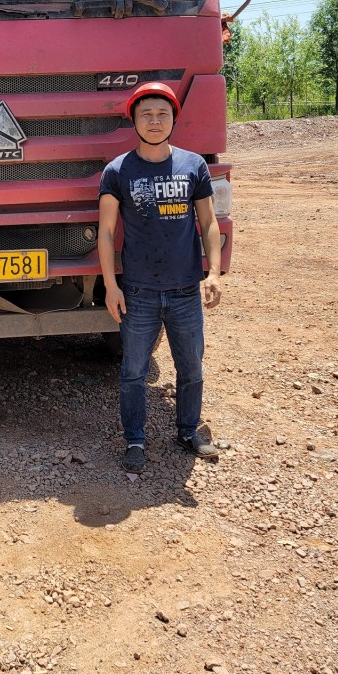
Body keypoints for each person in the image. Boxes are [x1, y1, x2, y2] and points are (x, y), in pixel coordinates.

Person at [98, 82, 222, 473]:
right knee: (133, 371)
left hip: (185, 290)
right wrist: (111, 286)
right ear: (134, 121)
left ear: (173, 119)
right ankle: (135, 440)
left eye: (162, 114)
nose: (155, 121)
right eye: (146, 114)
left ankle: (187, 432)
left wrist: (214, 273)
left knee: (191, 368)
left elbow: (209, 221)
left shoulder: (194, 166)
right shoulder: (117, 171)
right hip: (138, 292)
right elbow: (106, 232)